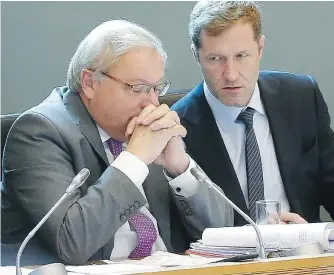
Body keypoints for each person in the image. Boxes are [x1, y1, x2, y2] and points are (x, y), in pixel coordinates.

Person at [2, 19, 233, 265]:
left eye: (156, 88)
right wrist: (134, 160)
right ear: (90, 83)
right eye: (137, 88)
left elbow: (223, 236)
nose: (152, 104)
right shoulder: (40, 132)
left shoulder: (149, 129)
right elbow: (71, 243)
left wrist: (180, 167)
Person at [171, 1, 334, 248]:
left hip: (306, 257)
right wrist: (258, 236)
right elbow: (186, 229)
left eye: (241, 56)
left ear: (260, 48)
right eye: (215, 59)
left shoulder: (301, 97)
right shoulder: (179, 126)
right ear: (196, 55)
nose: (231, 74)